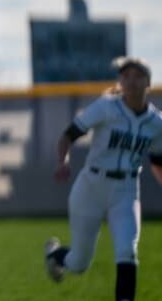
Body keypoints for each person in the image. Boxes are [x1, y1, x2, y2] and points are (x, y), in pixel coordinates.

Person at [44, 57, 162, 301]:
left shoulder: (156, 123)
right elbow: (68, 135)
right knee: (78, 263)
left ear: (148, 82)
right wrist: (63, 161)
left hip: (127, 191)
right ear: (120, 81)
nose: (130, 81)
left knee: (128, 252)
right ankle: (55, 255)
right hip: (91, 187)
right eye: (125, 75)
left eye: (137, 75)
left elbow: (158, 162)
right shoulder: (107, 107)